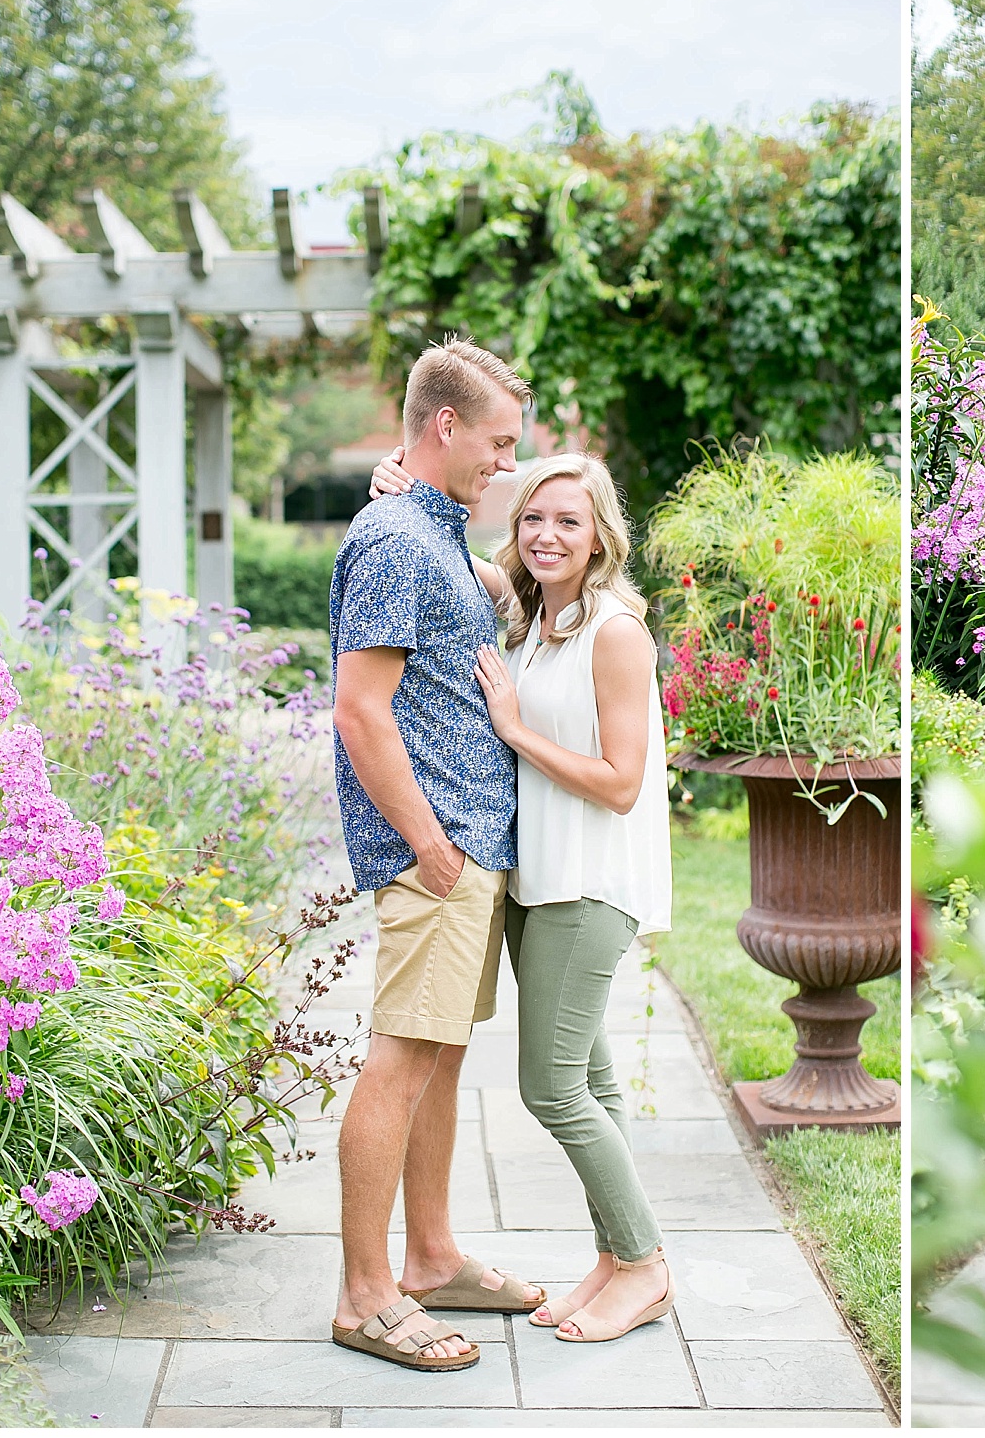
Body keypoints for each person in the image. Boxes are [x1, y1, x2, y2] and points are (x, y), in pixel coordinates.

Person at [370, 445, 676, 1344]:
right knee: (591, 1078)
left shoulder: (613, 631)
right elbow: (435, 562)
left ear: (599, 538)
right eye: (534, 516)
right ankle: (618, 1258)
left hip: (588, 883)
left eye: (568, 522)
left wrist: (511, 727)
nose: (546, 533)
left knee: (550, 1086)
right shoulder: (531, 617)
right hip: (538, 881)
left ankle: (647, 1262)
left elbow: (621, 781)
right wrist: (399, 493)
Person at [327, 337, 545, 1372]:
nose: (507, 460)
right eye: (498, 442)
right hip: (436, 850)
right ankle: (366, 1295)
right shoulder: (394, 540)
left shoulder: (431, 534)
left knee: (440, 1057)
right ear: (443, 424)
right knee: (403, 1055)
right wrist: (427, 843)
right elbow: (360, 713)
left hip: (468, 839)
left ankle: (430, 1255)